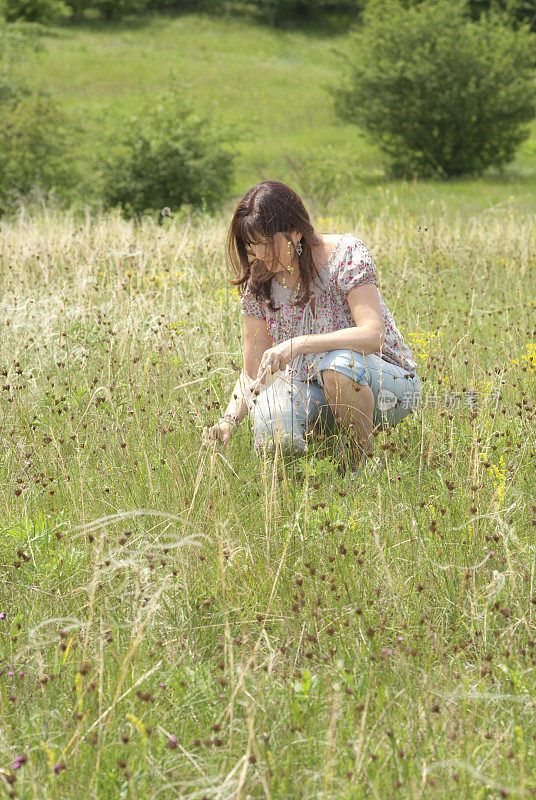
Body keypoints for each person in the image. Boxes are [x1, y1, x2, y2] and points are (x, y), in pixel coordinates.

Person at [201, 180, 421, 470]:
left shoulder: (346, 254)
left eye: (268, 244)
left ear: (296, 231)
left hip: (387, 386)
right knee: (271, 421)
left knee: (338, 365)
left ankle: (362, 468)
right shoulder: (259, 281)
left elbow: (372, 335)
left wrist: (300, 343)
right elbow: (253, 371)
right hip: (315, 391)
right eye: (252, 245)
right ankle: (309, 473)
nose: (261, 255)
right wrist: (227, 421)